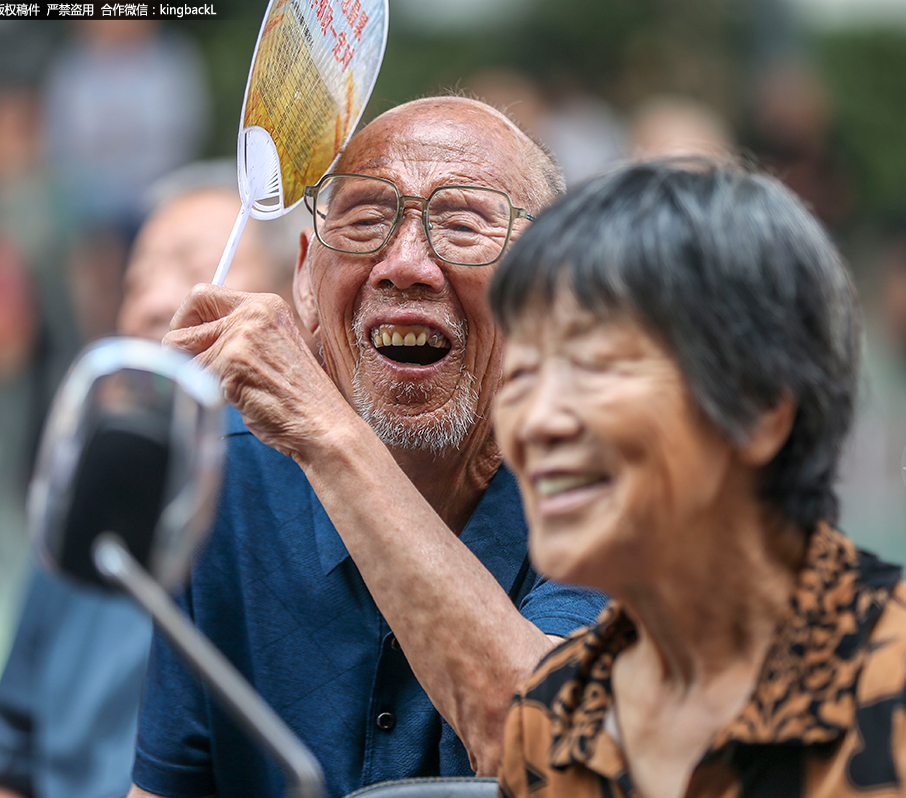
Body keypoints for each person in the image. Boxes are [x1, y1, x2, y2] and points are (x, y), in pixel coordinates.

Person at [490, 159, 906, 798]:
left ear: (762, 409)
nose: (536, 420)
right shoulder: (553, 717)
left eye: (594, 366)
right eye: (519, 373)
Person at [132, 97, 608, 798]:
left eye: (462, 224)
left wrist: (328, 438)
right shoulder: (227, 476)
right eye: (362, 221)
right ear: (302, 275)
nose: (405, 264)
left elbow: (545, 751)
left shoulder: (615, 487)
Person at [0, 165, 293, 798]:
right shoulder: (87, 502)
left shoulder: (308, 504)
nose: (153, 303)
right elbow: (8, 752)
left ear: (298, 290)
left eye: (194, 266)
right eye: (136, 280)